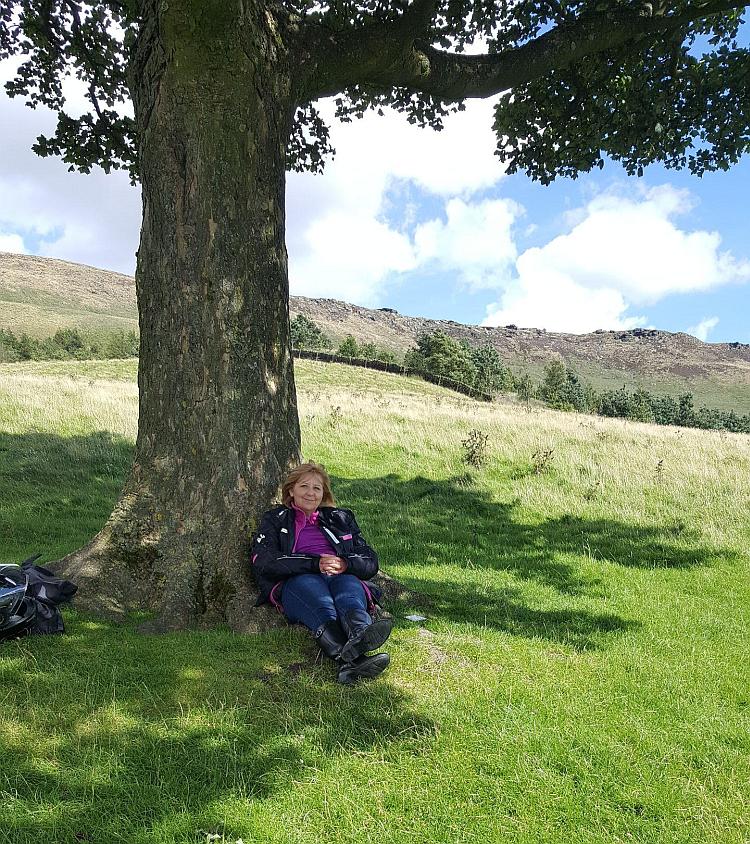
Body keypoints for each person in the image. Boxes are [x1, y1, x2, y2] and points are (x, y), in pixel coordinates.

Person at [251, 461, 393, 684]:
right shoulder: (276, 519)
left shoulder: (341, 519)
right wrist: (314, 563)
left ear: (323, 493)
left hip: (340, 575)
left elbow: (369, 560)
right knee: (319, 599)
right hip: (298, 579)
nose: (310, 493)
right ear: (291, 491)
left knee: (349, 592)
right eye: (304, 487)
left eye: (317, 488)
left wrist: (345, 564)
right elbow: (264, 561)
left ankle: (359, 635)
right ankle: (352, 659)